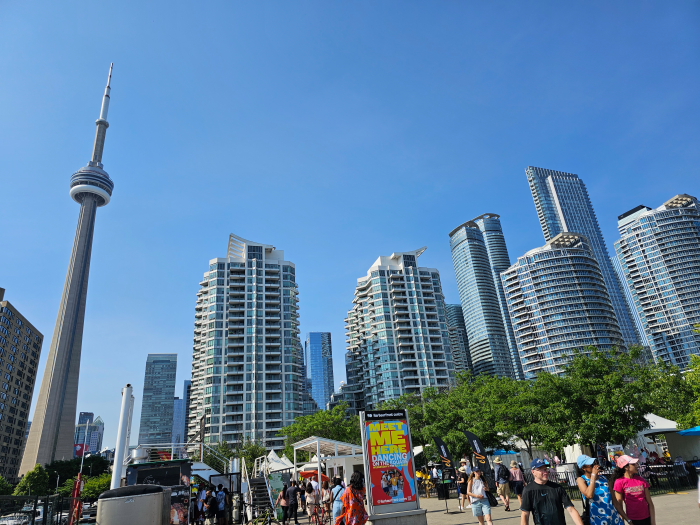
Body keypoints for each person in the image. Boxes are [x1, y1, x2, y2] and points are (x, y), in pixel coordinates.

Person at [521, 458, 584, 525]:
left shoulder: (557, 488)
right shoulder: (529, 490)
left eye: (545, 469)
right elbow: (525, 514)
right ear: (533, 472)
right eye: (541, 470)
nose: (545, 472)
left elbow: (571, 509)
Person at [576, 454, 623, 525]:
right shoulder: (581, 479)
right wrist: (593, 476)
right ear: (584, 468)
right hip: (598, 519)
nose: (594, 466)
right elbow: (589, 495)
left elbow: (615, 501)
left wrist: (626, 518)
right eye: (591, 465)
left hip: (614, 517)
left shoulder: (604, 478)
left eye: (594, 463)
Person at [612, 455, 656, 525]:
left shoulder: (641, 480)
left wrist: (653, 521)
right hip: (633, 520)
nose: (637, 466)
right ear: (626, 467)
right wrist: (628, 521)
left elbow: (650, 503)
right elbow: (619, 505)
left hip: (647, 518)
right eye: (634, 464)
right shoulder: (619, 482)